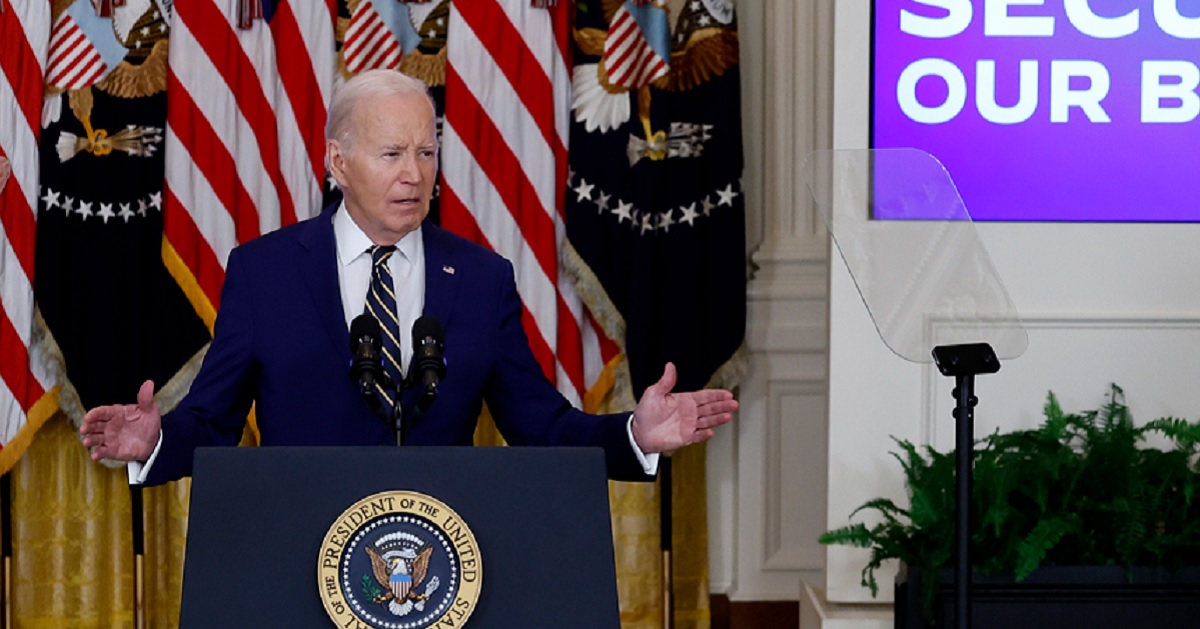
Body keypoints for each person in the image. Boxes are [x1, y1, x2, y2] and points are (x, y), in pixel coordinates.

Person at [79, 69, 736, 485]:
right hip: (302, 557)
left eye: (426, 152)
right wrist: (156, 439)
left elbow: (543, 427)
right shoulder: (265, 272)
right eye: (393, 153)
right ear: (337, 161)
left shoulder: (481, 277)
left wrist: (634, 434)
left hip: (443, 563)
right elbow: (213, 421)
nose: (416, 174)